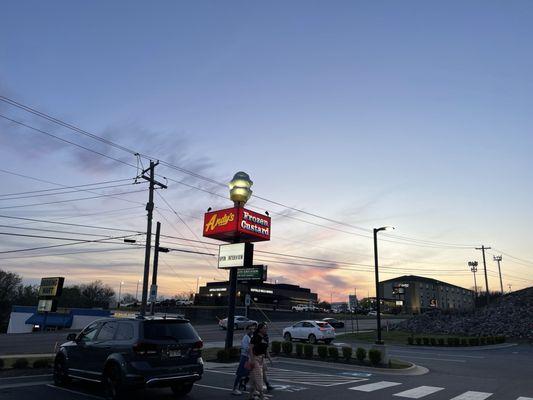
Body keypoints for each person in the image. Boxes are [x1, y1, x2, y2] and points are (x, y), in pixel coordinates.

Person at [232, 323, 257, 395]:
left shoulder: (252, 337)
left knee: (250, 373)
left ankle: (243, 385)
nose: (252, 330)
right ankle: (234, 388)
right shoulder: (245, 338)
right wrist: (252, 349)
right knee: (240, 373)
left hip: (250, 358)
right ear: (247, 330)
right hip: (245, 357)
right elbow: (246, 348)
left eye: (253, 329)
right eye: (250, 329)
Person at [248, 322, 270, 400]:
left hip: (261, 358)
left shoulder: (266, 337)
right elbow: (250, 348)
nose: (266, 329)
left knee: (253, 378)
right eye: (264, 328)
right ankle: (262, 395)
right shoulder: (255, 337)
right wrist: (252, 359)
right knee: (259, 376)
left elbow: (266, 348)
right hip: (254, 358)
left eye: (266, 328)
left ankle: (251, 395)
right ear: (260, 329)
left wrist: (268, 357)